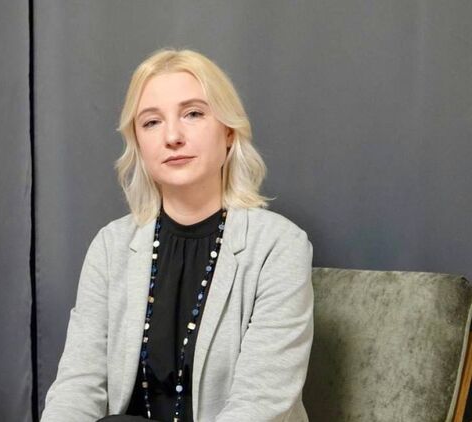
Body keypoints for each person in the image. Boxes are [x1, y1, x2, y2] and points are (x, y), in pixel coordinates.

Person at [40, 48, 313, 422]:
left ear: (228, 131)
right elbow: (77, 385)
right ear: (138, 143)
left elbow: (260, 403)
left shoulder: (279, 246)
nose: (172, 136)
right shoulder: (110, 247)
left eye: (193, 114)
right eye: (151, 122)